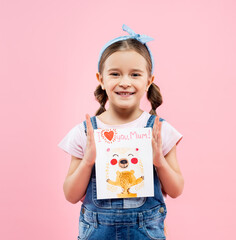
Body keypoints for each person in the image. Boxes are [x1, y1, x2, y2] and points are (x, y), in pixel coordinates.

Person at [58, 24, 184, 240]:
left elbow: (176, 190)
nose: (125, 82)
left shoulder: (159, 130)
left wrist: (159, 161)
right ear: (101, 79)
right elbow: (71, 195)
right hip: (97, 232)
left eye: (135, 74)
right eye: (115, 74)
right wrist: (88, 162)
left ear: (149, 81)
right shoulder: (86, 132)